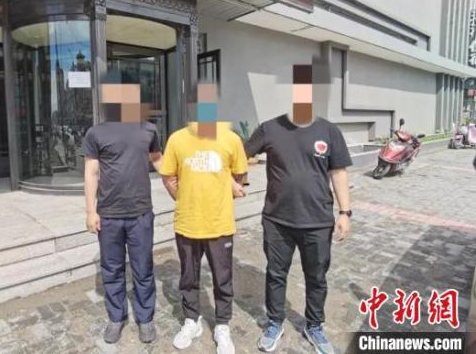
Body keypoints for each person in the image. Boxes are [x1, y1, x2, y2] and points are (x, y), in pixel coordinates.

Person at [245, 65, 352, 354]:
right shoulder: (270, 128)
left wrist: (345, 212)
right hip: (277, 220)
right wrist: (235, 178)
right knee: (275, 274)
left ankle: (314, 325)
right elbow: (241, 154)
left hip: (317, 221)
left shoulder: (329, 131)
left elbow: (339, 172)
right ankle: (274, 322)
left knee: (316, 277)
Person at [159, 82, 248, 354]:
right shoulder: (177, 139)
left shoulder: (231, 138)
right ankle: (191, 320)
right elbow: (168, 175)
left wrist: (227, 189)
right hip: (187, 223)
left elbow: (240, 174)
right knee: (188, 277)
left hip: (220, 224)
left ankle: (222, 325)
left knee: (223, 278)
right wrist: (184, 198)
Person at [83, 76, 162, 344]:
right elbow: (91, 172)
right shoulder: (96, 132)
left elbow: (158, 161)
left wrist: (182, 182)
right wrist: (90, 212)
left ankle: (145, 318)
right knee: (112, 269)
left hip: (141, 213)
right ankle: (116, 318)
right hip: (109, 215)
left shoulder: (148, 129)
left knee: (143, 268)